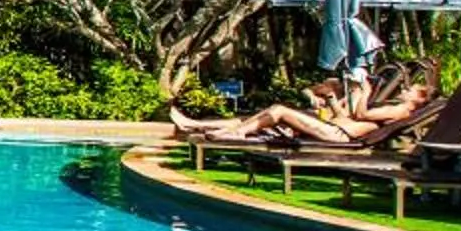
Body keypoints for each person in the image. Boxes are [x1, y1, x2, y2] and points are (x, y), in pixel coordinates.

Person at [172, 78, 435, 145]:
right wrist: (334, 99)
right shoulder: (393, 107)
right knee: (269, 114)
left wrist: (364, 94)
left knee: (277, 110)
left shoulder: (401, 110)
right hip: (336, 129)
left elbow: (362, 117)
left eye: (414, 88)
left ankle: (235, 134)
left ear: (419, 99)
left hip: (337, 136)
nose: (407, 87)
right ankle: (198, 125)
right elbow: (350, 117)